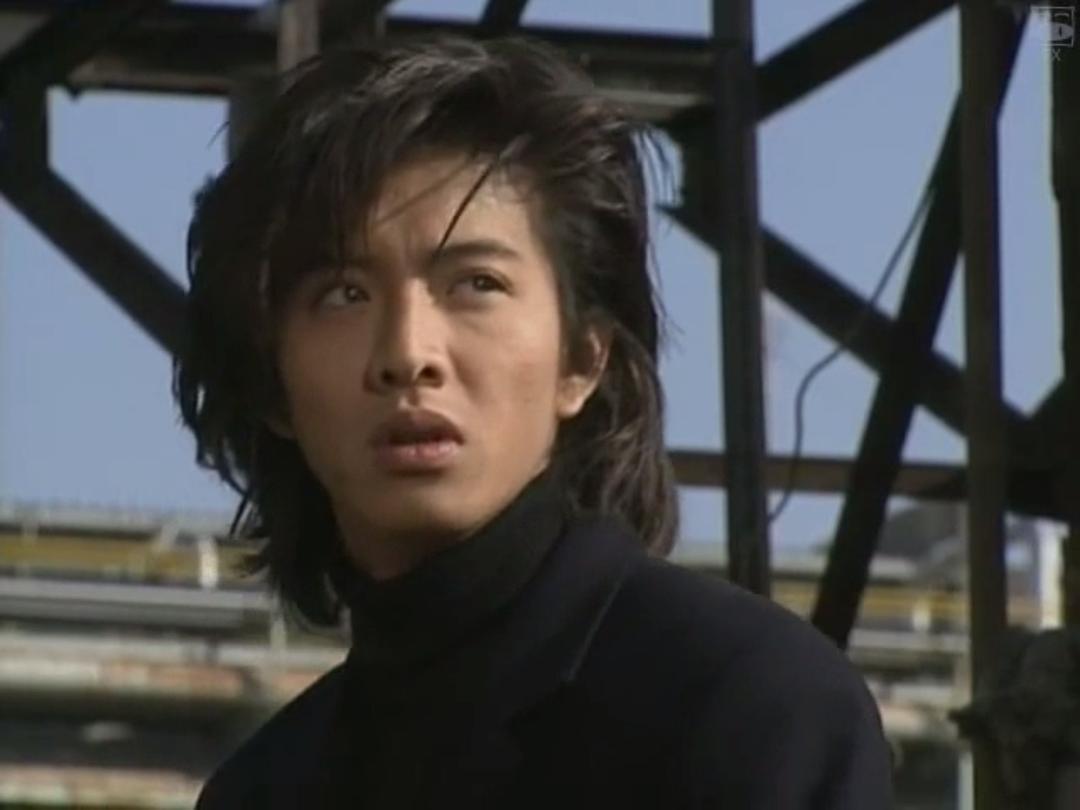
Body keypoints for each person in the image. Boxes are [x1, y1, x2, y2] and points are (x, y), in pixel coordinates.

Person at [175, 34, 893, 809]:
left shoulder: (748, 704)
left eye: (476, 284)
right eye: (345, 294)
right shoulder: (263, 790)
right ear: (272, 386)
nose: (408, 355)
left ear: (582, 360)